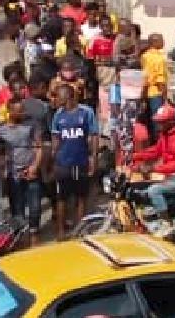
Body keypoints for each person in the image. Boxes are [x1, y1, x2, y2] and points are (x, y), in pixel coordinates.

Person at [132, 104, 175, 237]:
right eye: (158, 122)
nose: (158, 125)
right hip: (172, 175)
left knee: (154, 190)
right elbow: (156, 151)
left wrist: (154, 168)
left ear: (171, 121)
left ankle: (167, 223)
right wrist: (134, 156)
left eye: (161, 122)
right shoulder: (165, 135)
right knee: (141, 189)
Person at [51, 83, 98, 241]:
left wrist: (93, 157)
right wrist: (53, 159)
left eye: (58, 95)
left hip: (81, 160)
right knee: (61, 198)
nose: (55, 99)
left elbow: (93, 136)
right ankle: (60, 232)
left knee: (81, 197)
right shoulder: (57, 115)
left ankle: (80, 231)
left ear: (67, 96)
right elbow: (55, 139)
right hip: (63, 163)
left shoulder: (86, 112)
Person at [0, 99, 43, 244]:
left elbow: (39, 147)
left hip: (31, 171)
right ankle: (20, 238)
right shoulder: (0, 130)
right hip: (13, 175)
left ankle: (34, 236)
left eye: (23, 109)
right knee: (17, 208)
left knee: (35, 207)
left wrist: (34, 166)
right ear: (10, 111)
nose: (23, 113)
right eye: (19, 110)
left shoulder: (31, 125)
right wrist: (3, 172)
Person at [141, 33, 168, 123]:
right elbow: (160, 80)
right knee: (158, 119)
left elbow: (145, 75)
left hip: (146, 91)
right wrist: (165, 98)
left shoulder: (144, 56)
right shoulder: (159, 58)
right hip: (156, 92)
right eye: (161, 40)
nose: (163, 42)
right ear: (154, 42)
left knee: (149, 119)